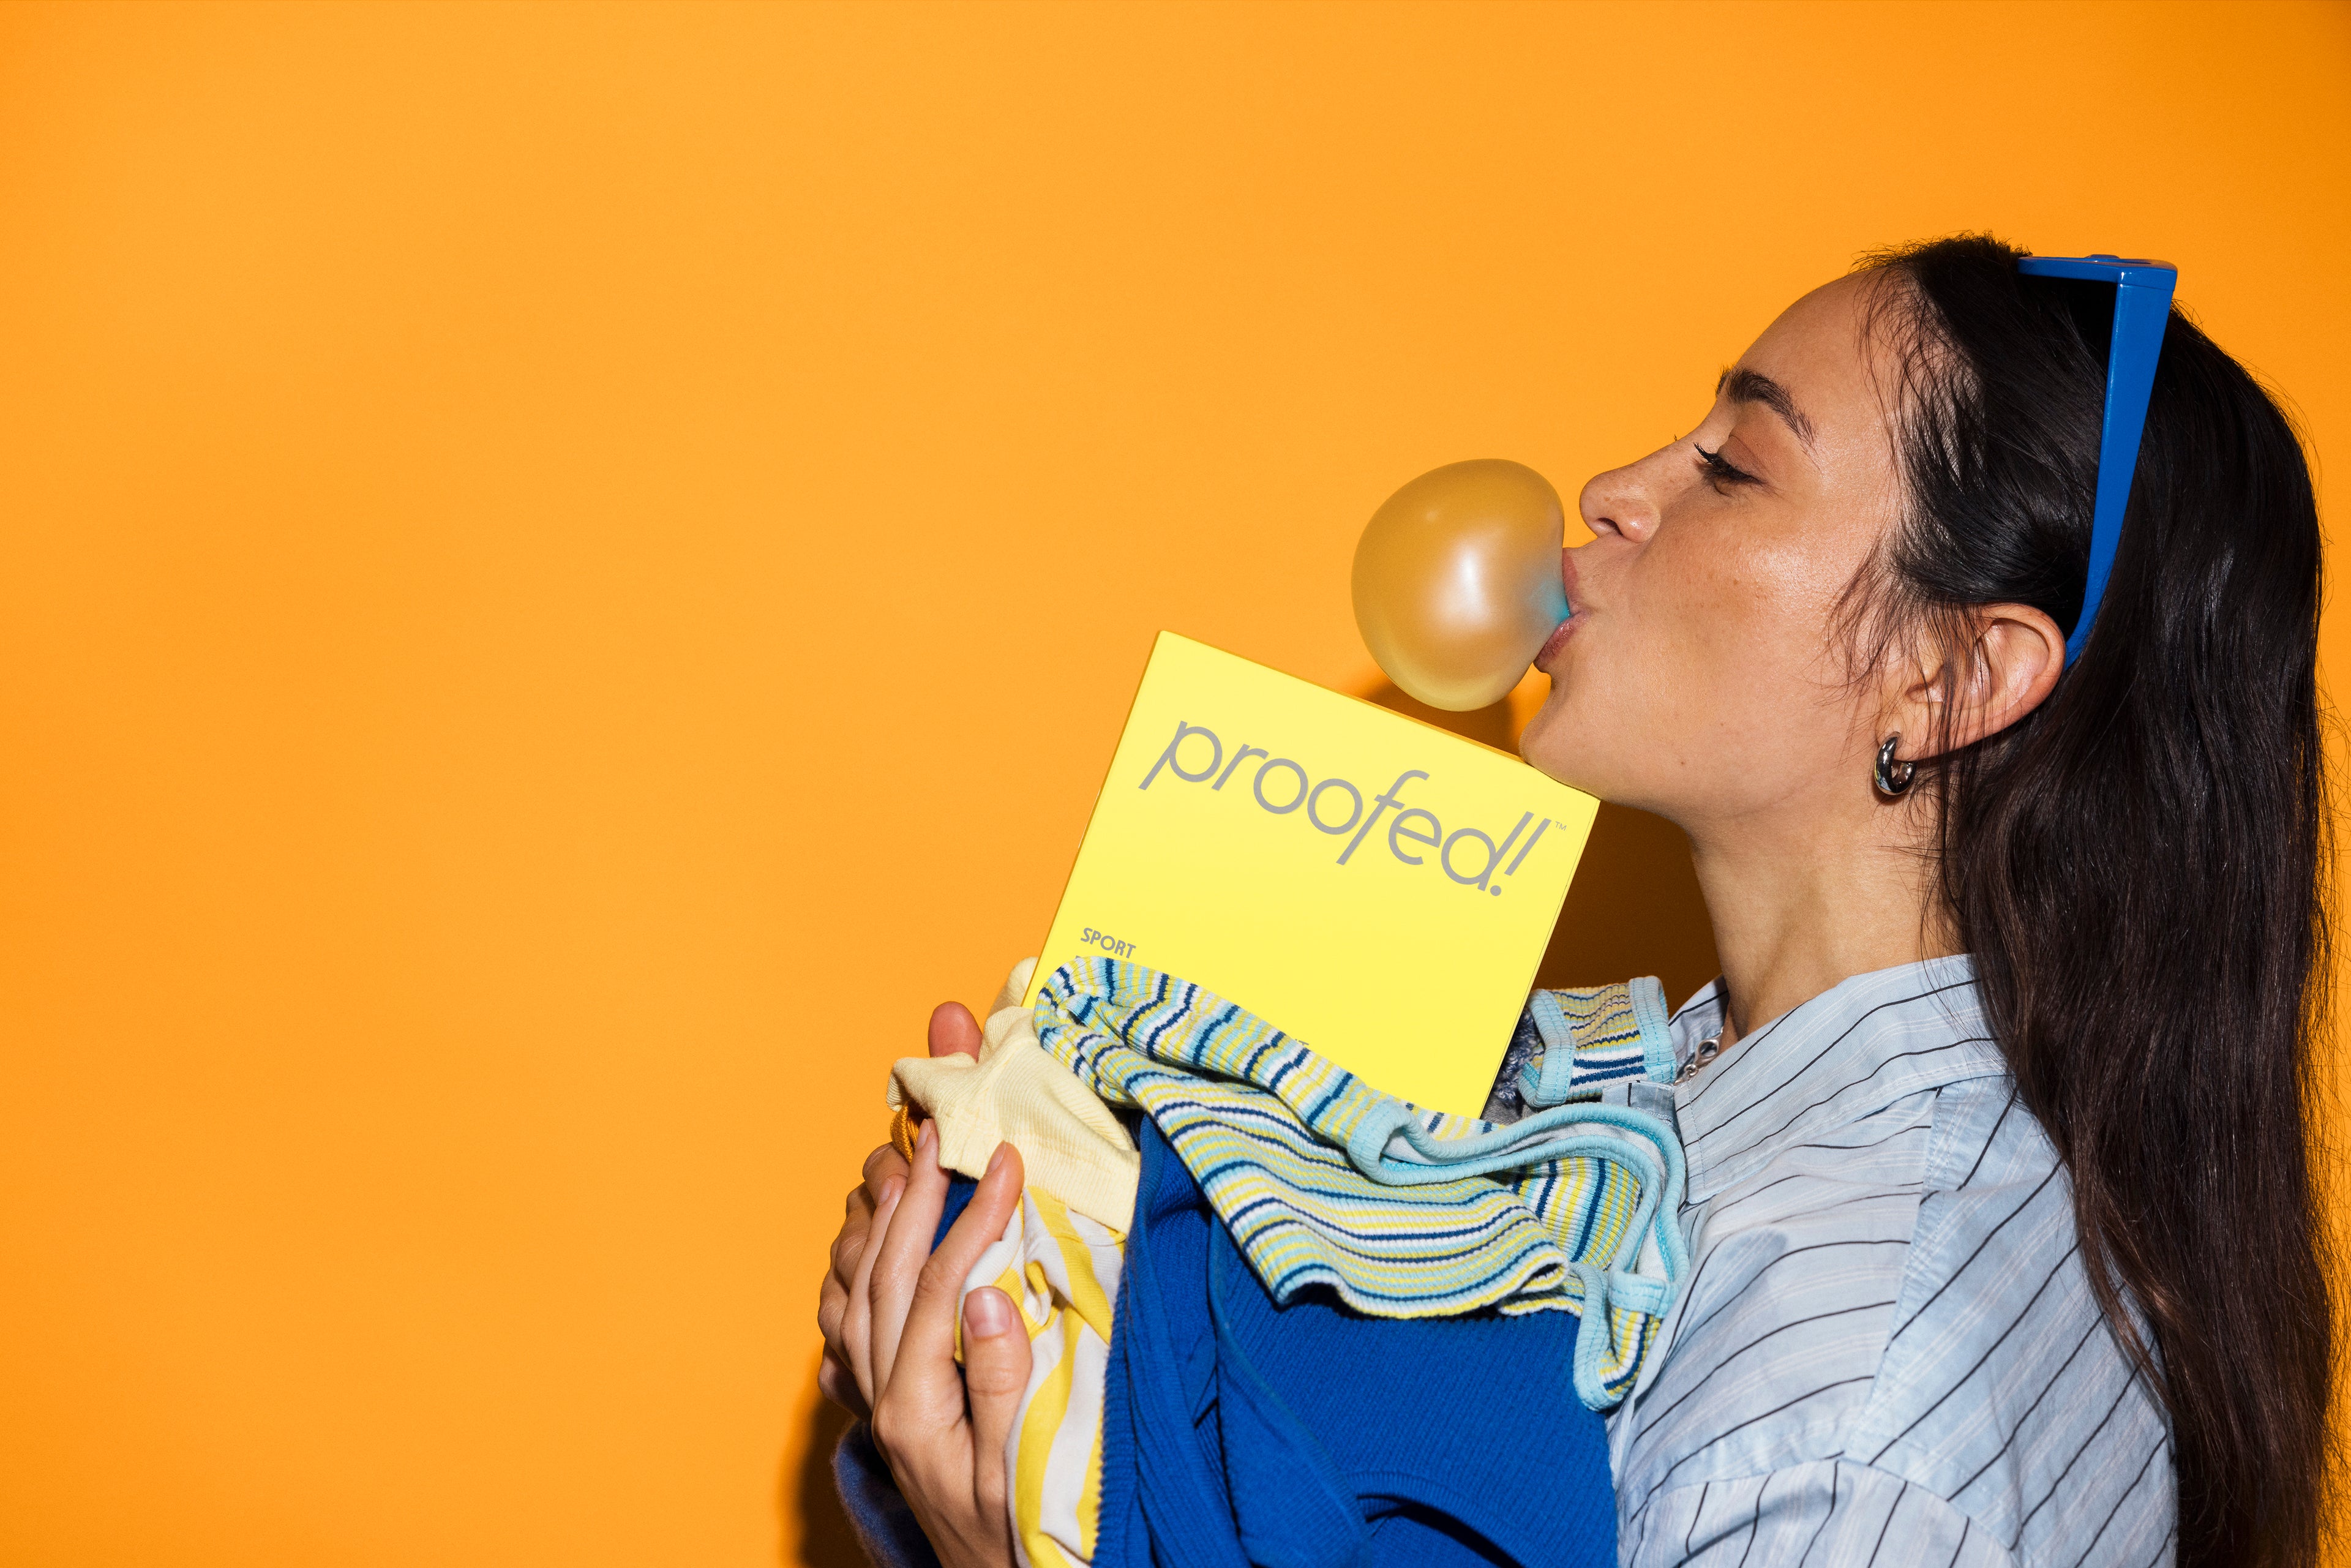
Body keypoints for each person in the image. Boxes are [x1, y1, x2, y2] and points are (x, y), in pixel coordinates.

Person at [816, 233, 2332, 1567]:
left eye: (1734, 466)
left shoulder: (1852, 1412)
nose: (1613, 492)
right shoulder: (1648, 1107)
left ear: (1952, 679)